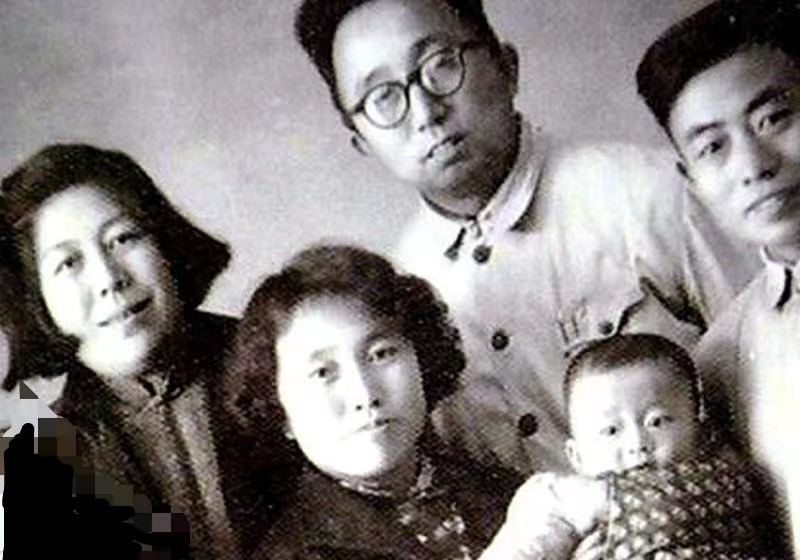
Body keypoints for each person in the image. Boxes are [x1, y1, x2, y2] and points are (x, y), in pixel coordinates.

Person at [293, 0, 762, 476]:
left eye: (440, 65)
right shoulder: (400, 299)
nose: (426, 112)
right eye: (382, 98)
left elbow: (776, 373)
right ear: (362, 141)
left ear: (507, 67)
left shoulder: (651, 193)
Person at [0, 143, 273, 560]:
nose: (109, 278)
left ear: (166, 245)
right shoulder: (39, 462)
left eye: (123, 239)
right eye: (68, 263)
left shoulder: (284, 362)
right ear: (38, 300)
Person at [225, 244, 523, 560]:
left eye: (381, 354)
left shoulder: (511, 495)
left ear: (421, 360)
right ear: (280, 410)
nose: (364, 395)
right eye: (323, 372)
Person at [636, 0, 800, 555]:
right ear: (692, 181)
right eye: (713, 148)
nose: (754, 164)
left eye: (774, 118)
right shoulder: (721, 361)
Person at [480, 334, 773, 560]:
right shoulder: (572, 503)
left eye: (657, 421)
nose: (637, 444)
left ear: (700, 428)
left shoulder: (727, 475)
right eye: (611, 431)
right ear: (577, 456)